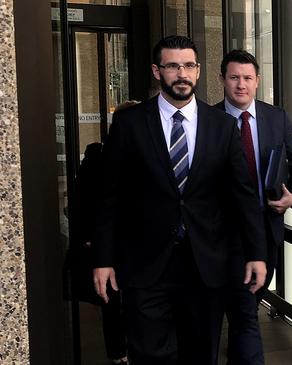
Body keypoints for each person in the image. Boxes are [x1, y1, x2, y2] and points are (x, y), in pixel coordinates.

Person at [92, 35, 267, 364]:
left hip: (205, 266)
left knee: (200, 355)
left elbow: (243, 196)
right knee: (150, 355)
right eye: (173, 66)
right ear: (157, 72)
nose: (182, 73)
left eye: (188, 65)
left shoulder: (222, 126)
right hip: (146, 266)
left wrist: (256, 253)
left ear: (199, 71)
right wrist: (103, 258)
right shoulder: (129, 124)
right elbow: (110, 196)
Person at [215, 49, 292, 364]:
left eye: (247, 78)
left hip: (266, 229)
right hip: (221, 235)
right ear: (222, 80)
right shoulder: (208, 120)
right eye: (234, 77)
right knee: (242, 311)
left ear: (257, 81)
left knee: (246, 309)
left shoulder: (276, 117)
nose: (241, 84)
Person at [73, 142, 128, 365]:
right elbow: (85, 199)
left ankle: (122, 350)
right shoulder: (99, 159)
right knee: (112, 299)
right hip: (110, 244)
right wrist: (87, 237)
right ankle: (117, 352)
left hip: (131, 244)